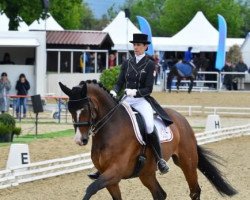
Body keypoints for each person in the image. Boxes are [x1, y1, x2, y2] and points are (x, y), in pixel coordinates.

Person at [88, 33, 171, 180]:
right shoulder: (127, 62)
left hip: (141, 100)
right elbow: (120, 81)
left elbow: (148, 89)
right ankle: (102, 166)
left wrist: (136, 92)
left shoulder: (150, 63)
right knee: (110, 123)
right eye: (134, 45)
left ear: (145, 46)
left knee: (150, 126)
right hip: (126, 100)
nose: (136, 47)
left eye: (139, 45)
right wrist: (114, 90)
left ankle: (159, 160)